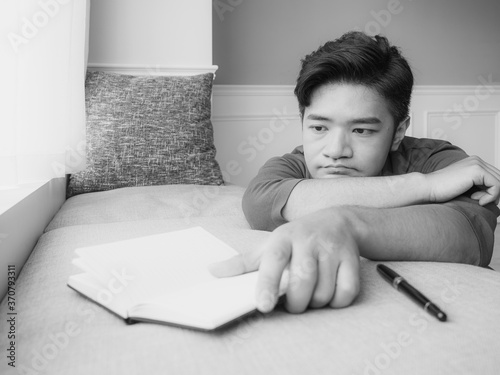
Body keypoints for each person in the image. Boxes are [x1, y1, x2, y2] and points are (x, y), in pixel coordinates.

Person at [209, 31, 500, 315]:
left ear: (398, 132)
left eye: (361, 130)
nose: (336, 150)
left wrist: (348, 224)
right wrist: (425, 187)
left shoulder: (437, 159)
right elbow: (260, 201)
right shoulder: (292, 165)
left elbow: (471, 234)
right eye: (319, 127)